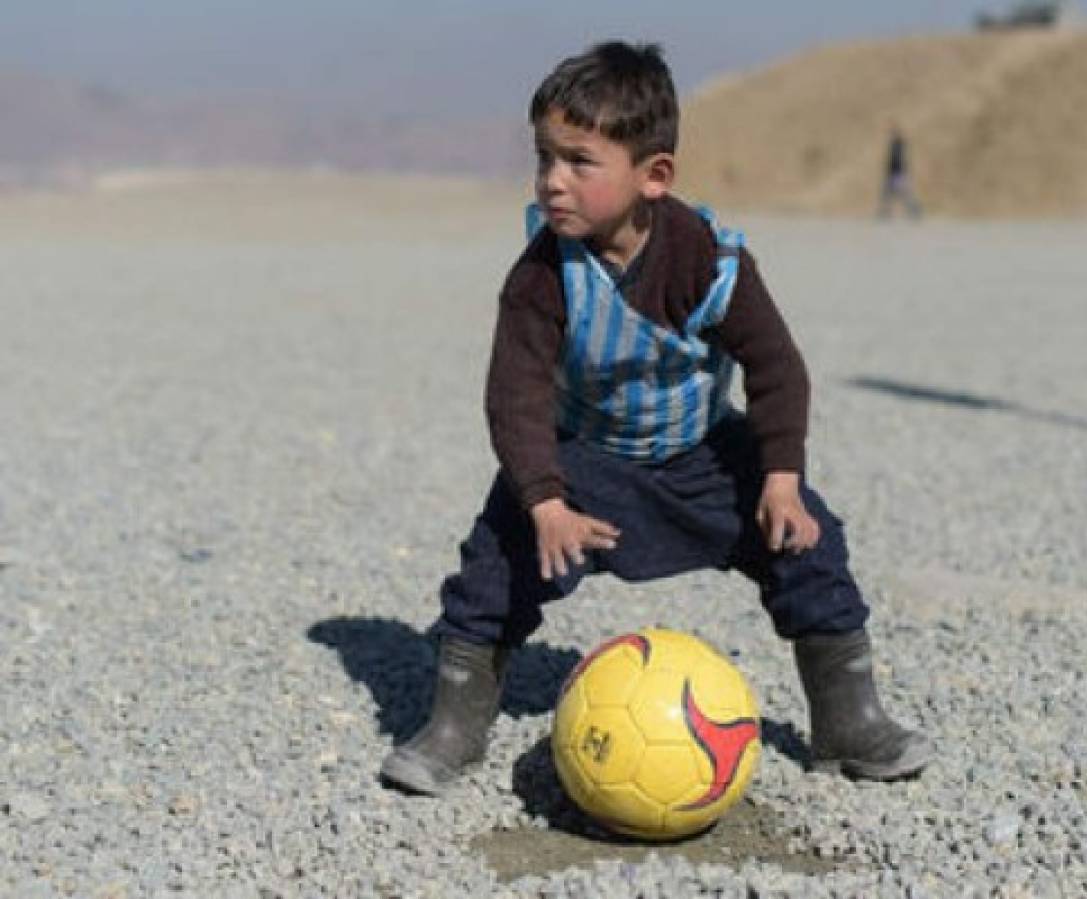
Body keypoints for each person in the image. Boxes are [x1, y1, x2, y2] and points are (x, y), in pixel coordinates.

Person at [382, 41, 932, 795]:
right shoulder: (543, 274)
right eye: (544, 157)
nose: (552, 181)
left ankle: (848, 719)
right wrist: (544, 501)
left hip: (702, 451)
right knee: (497, 557)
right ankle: (454, 724)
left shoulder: (709, 261)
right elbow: (514, 396)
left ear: (654, 175)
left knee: (811, 542)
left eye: (579, 161)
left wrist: (780, 478)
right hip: (588, 457)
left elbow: (776, 368)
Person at [878, 124, 923, 219]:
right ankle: (885, 212)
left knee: (903, 195)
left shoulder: (897, 145)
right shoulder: (896, 145)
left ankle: (915, 211)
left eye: (892, 133)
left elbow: (898, 161)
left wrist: (900, 172)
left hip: (897, 174)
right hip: (895, 174)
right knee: (888, 194)